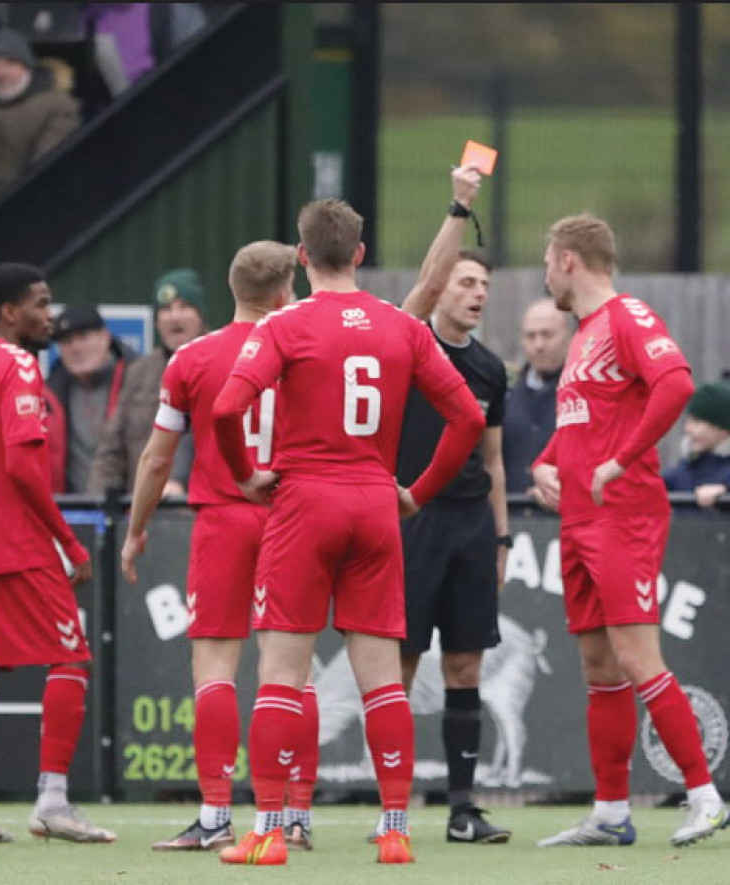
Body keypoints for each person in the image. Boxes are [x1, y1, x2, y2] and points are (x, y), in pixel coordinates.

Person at [212, 199, 486, 865]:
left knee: (281, 674)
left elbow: (226, 407)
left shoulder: (284, 324)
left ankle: (269, 831)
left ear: (302, 257)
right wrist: (415, 492)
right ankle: (394, 830)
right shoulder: (402, 326)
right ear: (359, 254)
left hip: (304, 503)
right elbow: (469, 420)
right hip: (373, 504)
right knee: (383, 681)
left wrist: (249, 475)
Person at [532, 213, 728, 848]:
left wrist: (623, 457)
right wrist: (545, 462)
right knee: (598, 665)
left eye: (545, 262)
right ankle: (611, 812)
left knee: (640, 657)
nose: (545, 275)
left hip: (625, 513)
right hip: (581, 517)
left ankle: (704, 797)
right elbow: (580, 422)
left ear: (568, 260)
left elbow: (676, 384)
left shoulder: (626, 316)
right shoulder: (586, 334)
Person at [121, 241, 320, 852]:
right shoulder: (308, 349)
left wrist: (135, 531)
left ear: (231, 293)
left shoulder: (193, 358)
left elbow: (157, 458)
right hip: (293, 517)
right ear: (286, 291)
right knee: (293, 674)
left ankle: (214, 815)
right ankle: (296, 813)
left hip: (224, 518)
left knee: (214, 670)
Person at [0, 263, 116, 845]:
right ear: (9, 312)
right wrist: (65, 538)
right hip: (14, 541)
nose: (50, 314)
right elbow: (22, 465)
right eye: (40, 303)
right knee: (71, 658)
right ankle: (53, 800)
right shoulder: (18, 365)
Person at [395, 248, 511, 845]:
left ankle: (462, 810)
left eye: (484, 284)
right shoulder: (410, 346)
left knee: (465, 664)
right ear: (440, 288)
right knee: (401, 665)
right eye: (466, 281)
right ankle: (393, 811)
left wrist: (501, 539)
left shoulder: (491, 368)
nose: (478, 293)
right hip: (413, 518)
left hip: (470, 526)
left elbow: (493, 459)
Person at [88, 268, 207, 496]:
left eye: (185, 307)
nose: (174, 316)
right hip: (144, 511)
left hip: (200, 508)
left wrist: (176, 482)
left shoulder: (222, 362)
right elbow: (111, 449)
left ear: (201, 314)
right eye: (165, 309)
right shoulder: (138, 372)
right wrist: (97, 509)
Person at [45, 303, 136, 493]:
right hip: (71, 513)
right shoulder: (49, 395)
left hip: (130, 509)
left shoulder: (138, 381)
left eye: (84, 337)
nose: (76, 348)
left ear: (105, 337)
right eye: (67, 341)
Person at [0, 28, 82, 196]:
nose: (1, 73)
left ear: (27, 68)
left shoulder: (58, 107)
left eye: (10, 64)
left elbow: (46, 165)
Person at [502, 298, 572, 494]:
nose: (539, 345)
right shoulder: (505, 393)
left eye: (547, 335)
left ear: (568, 335)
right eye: (530, 336)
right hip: (513, 513)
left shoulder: (586, 394)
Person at [662, 381, 730, 508]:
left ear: (722, 430)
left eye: (697, 422)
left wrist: (725, 492)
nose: (688, 429)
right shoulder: (681, 472)